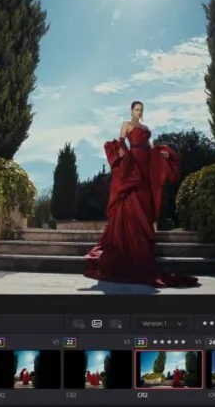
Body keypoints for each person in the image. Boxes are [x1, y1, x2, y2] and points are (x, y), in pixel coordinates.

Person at [84, 101, 199, 287]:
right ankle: (131, 247)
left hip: (146, 166)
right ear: (131, 110)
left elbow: (151, 147)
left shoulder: (146, 128)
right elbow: (121, 143)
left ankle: (142, 247)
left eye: (141, 110)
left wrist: (162, 155)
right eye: (136, 109)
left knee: (144, 203)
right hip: (133, 165)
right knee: (130, 201)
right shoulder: (126, 124)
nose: (139, 112)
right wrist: (121, 151)